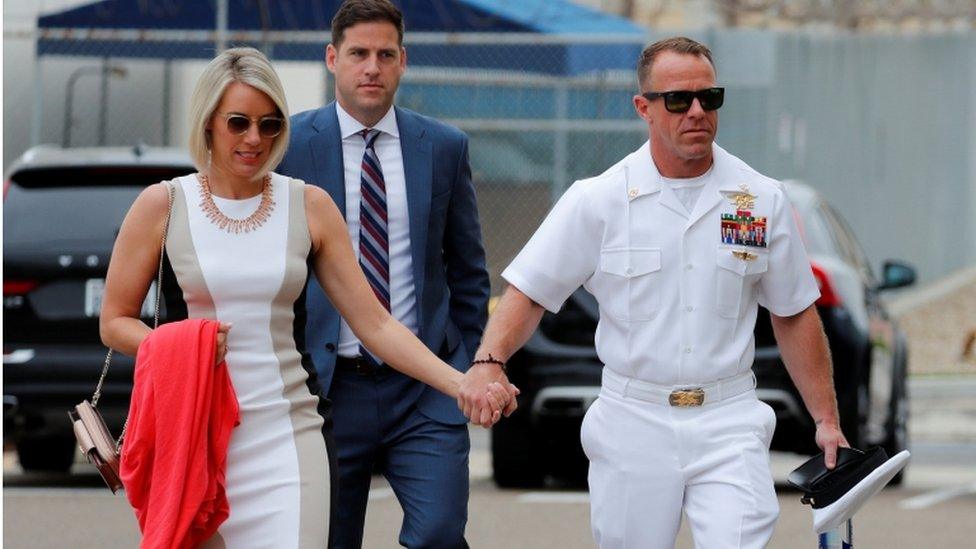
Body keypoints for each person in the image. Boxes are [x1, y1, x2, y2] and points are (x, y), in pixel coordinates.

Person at [100, 47, 510, 548]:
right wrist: (182, 348)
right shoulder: (163, 203)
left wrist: (461, 383)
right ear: (207, 123)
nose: (255, 139)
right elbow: (115, 321)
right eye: (238, 123)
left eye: (270, 124)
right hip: (197, 438)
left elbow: (375, 324)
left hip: (287, 437)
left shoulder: (308, 204)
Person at [461, 37, 849, 548]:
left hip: (729, 418)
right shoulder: (599, 199)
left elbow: (794, 313)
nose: (696, 112)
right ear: (643, 108)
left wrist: (827, 420)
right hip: (632, 419)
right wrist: (490, 362)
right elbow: (530, 290)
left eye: (709, 98)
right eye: (678, 100)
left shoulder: (759, 199)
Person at [278, 2, 516, 547]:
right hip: (327, 390)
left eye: (386, 55)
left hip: (426, 387)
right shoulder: (290, 147)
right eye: (359, 54)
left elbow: (469, 270)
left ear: (403, 61)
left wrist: (462, 358)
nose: (372, 67)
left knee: (438, 534)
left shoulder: (444, 147)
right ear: (332, 58)